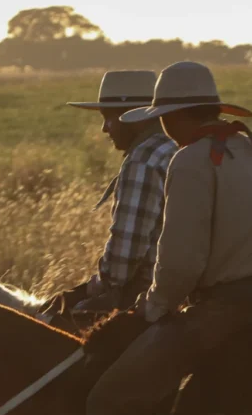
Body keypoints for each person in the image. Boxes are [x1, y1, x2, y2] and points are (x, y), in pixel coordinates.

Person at [81, 61, 252, 415]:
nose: (162, 126)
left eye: (162, 117)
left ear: (175, 116)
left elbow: (181, 263)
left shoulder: (191, 161)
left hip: (219, 315)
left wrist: (153, 308)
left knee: (108, 400)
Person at [54, 70, 177, 316]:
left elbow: (123, 259)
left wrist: (88, 291)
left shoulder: (143, 160)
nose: (104, 129)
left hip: (148, 294)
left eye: (108, 117)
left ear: (135, 117)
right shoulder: (173, 147)